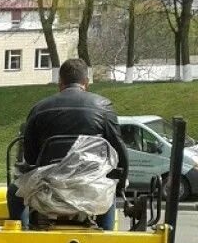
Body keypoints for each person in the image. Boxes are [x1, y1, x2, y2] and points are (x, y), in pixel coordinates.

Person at [11, 58, 129, 230]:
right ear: (86, 83)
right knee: (107, 194)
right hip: (89, 186)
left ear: (60, 83)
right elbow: (118, 147)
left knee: (14, 193)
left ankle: (22, 233)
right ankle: (106, 237)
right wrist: (122, 180)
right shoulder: (103, 107)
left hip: (49, 187)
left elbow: (30, 156)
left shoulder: (40, 108)